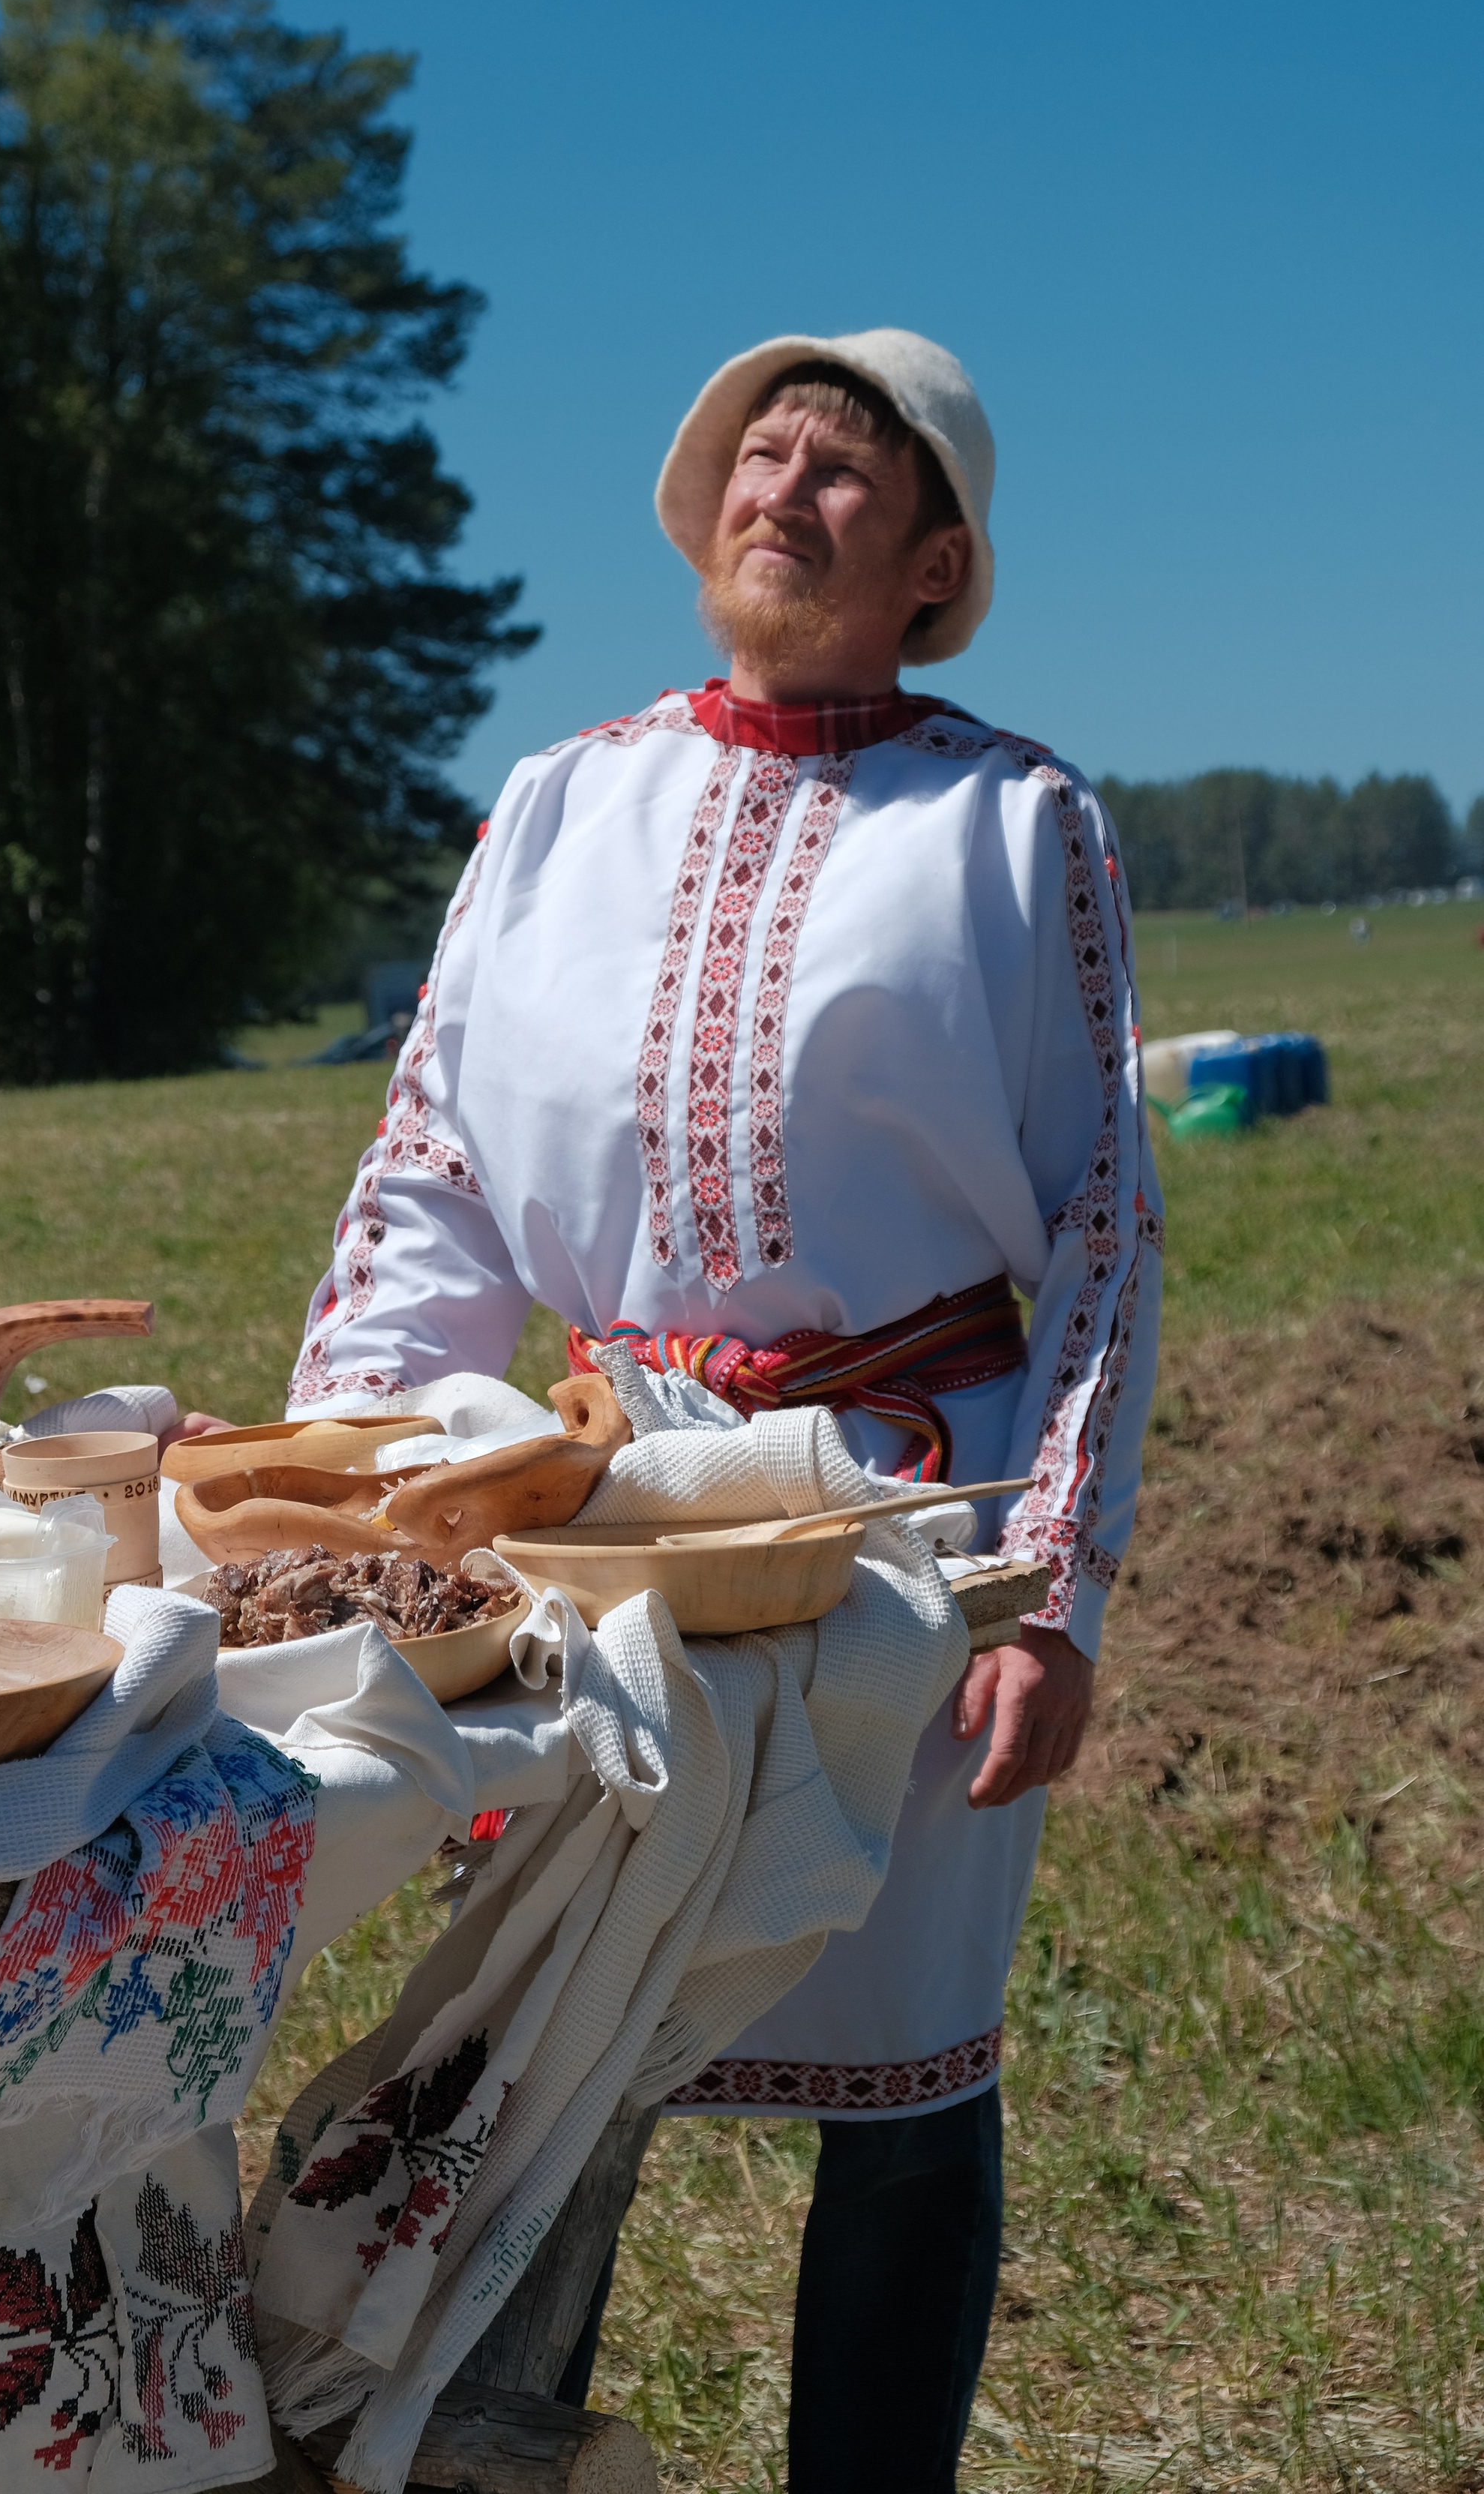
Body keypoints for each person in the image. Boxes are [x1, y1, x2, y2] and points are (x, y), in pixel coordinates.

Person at [285, 329, 1162, 2489]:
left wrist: (1053, 1589)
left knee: (909, 2075)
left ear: (936, 562)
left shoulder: (1017, 823)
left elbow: (1103, 1227)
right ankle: (479, 2455)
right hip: (602, 1515)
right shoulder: (555, 805)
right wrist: (360, 1478)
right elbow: (436, 1172)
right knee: (548, 2043)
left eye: (846, 471)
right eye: (762, 455)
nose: (786, 490)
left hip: (906, 1520)